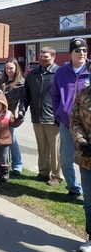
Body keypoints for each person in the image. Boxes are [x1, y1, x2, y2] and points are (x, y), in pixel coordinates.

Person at [19, 46, 63, 186]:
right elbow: (26, 94)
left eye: (46, 58)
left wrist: (60, 115)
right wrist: (22, 109)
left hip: (53, 118)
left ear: (53, 57)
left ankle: (56, 176)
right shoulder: (33, 74)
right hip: (37, 116)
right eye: (41, 58)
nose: (43, 60)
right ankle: (44, 173)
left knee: (55, 149)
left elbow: (65, 97)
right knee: (42, 147)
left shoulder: (59, 73)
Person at [51, 38, 88, 201]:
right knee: (66, 162)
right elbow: (54, 95)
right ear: (70, 53)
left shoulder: (90, 69)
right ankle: (74, 189)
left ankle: (88, 194)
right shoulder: (61, 72)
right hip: (66, 125)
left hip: (88, 129)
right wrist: (58, 114)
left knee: (87, 164)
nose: (82, 53)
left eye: (84, 50)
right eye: (78, 50)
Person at [70, 61, 91, 252]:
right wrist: (81, 141)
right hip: (87, 157)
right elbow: (74, 120)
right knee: (89, 200)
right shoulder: (83, 95)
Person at [0, 93, 23, 182]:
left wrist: (19, 119)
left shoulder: (8, 114)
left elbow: (14, 123)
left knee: (4, 156)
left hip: (5, 139)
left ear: (3, 105)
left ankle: (5, 173)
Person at [0, 58, 25, 175]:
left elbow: (23, 100)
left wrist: (21, 112)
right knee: (2, 140)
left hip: (11, 115)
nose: (9, 70)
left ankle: (17, 166)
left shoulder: (20, 83)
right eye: (7, 68)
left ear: (16, 69)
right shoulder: (2, 82)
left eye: (11, 68)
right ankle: (4, 163)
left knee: (12, 140)